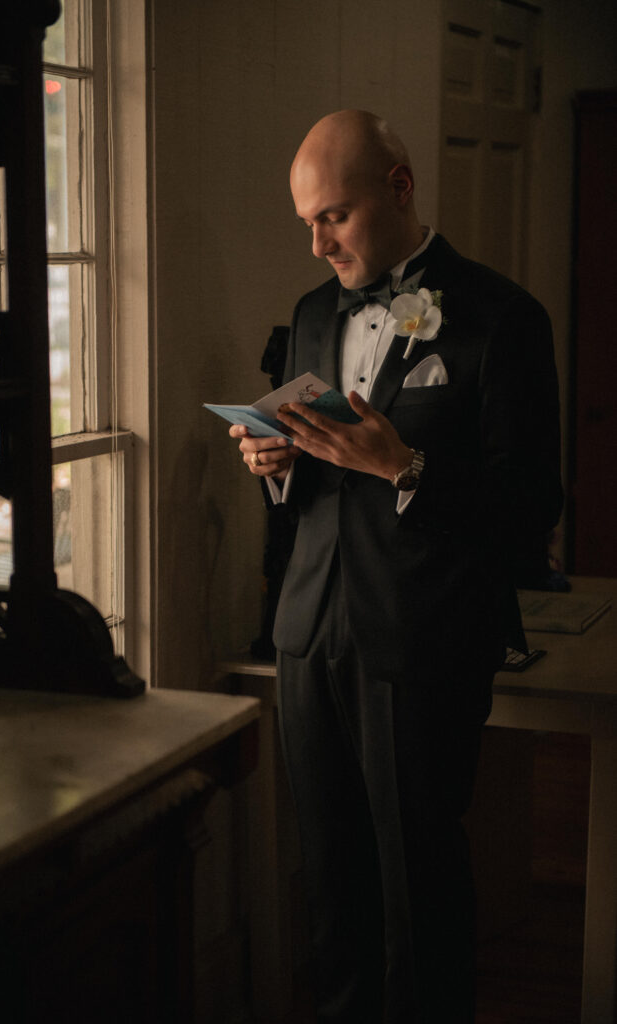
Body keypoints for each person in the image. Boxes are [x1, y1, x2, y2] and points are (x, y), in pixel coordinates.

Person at [229, 110, 563, 1023]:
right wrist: (274, 467)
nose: (316, 242)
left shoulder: (504, 319)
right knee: (331, 882)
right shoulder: (306, 316)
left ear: (400, 188)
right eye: (306, 222)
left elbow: (533, 509)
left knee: (419, 883)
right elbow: (311, 487)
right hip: (309, 634)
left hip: (425, 641)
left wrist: (405, 467)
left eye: (333, 216)